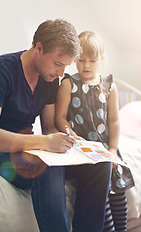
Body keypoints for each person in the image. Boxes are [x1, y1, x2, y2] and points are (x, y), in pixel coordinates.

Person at [0, 19, 111, 232]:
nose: (61, 74)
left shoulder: (49, 78)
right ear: (39, 48)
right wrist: (43, 142)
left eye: (66, 66)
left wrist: (70, 139)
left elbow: (49, 127)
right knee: (46, 165)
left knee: (100, 164)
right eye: (58, 64)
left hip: (29, 148)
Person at [55, 31, 134, 232]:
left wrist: (114, 149)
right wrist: (70, 133)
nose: (86, 65)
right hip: (81, 149)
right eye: (81, 60)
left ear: (102, 59)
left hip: (106, 149)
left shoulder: (109, 86)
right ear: (74, 59)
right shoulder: (68, 84)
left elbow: (115, 120)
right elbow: (60, 117)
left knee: (118, 191)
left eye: (92, 60)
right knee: (100, 194)